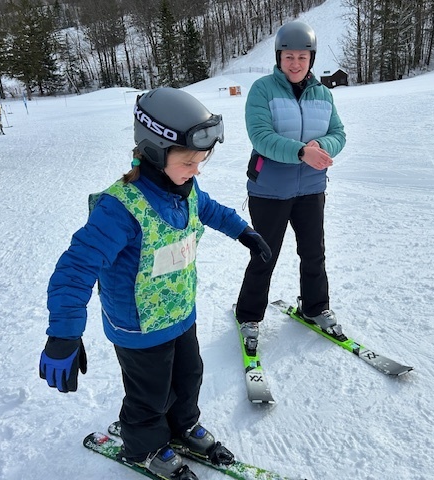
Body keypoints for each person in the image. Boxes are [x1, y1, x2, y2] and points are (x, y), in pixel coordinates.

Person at [39, 87, 271, 480]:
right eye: (189, 161)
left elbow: (208, 208)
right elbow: (76, 267)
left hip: (180, 312)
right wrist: (63, 333)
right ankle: (144, 446)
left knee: (189, 375)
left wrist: (243, 231)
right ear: (155, 151)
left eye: (202, 161)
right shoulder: (120, 209)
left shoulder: (184, 188)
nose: (197, 170)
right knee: (149, 394)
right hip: (138, 326)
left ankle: (181, 426)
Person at [234, 20, 346, 352]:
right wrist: (301, 152)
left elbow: (338, 134)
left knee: (314, 253)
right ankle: (249, 315)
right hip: (269, 190)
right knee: (264, 254)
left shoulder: (323, 94)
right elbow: (261, 137)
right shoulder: (262, 90)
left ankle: (315, 308)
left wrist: (322, 148)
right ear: (278, 58)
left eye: (302, 57)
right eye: (288, 57)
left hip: (311, 188)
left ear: (311, 59)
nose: (295, 64)